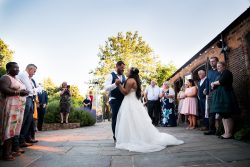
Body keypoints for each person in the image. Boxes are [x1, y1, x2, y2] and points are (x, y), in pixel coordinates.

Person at [115, 67, 184, 153]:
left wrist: (118, 84)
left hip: (129, 102)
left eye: (128, 70)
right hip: (133, 101)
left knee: (130, 120)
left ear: (131, 73)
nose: (126, 71)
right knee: (135, 120)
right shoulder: (135, 80)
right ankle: (136, 136)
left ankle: (132, 138)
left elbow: (125, 92)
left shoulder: (130, 80)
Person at [0, 62, 29, 161]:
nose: (17, 69)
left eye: (18, 68)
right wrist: (19, 92)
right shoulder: (5, 78)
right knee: (9, 128)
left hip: (19, 107)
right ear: (8, 68)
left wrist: (25, 92)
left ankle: (12, 150)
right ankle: (5, 154)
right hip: (10, 107)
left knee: (15, 129)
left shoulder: (17, 79)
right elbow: (4, 89)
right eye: (15, 68)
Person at [211, 62, 238, 139]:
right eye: (217, 66)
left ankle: (229, 133)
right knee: (223, 115)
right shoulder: (219, 74)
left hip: (226, 95)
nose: (218, 67)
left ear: (224, 66)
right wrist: (214, 85)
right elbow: (215, 86)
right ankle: (226, 132)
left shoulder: (227, 72)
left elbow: (221, 81)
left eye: (219, 66)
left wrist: (214, 83)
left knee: (227, 115)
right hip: (221, 96)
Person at [104, 61, 126, 142]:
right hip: (114, 100)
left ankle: (122, 135)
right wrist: (115, 84)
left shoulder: (124, 77)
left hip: (123, 100)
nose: (123, 70)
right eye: (122, 68)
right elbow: (106, 88)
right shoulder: (110, 75)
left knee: (122, 118)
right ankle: (115, 136)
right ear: (117, 66)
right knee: (115, 118)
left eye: (124, 68)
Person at [17, 64, 37, 147]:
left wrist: (33, 91)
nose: (34, 73)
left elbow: (33, 90)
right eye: (34, 71)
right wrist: (32, 91)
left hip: (30, 99)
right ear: (30, 69)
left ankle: (22, 140)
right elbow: (29, 89)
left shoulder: (29, 78)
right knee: (23, 120)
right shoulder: (23, 74)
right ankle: (17, 142)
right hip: (27, 98)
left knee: (28, 121)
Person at [204, 57, 220, 135]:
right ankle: (211, 129)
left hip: (219, 92)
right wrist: (206, 91)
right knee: (210, 111)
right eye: (211, 62)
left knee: (220, 111)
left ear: (217, 62)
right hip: (210, 93)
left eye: (213, 61)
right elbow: (207, 81)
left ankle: (220, 130)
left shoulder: (220, 70)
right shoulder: (209, 72)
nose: (212, 63)